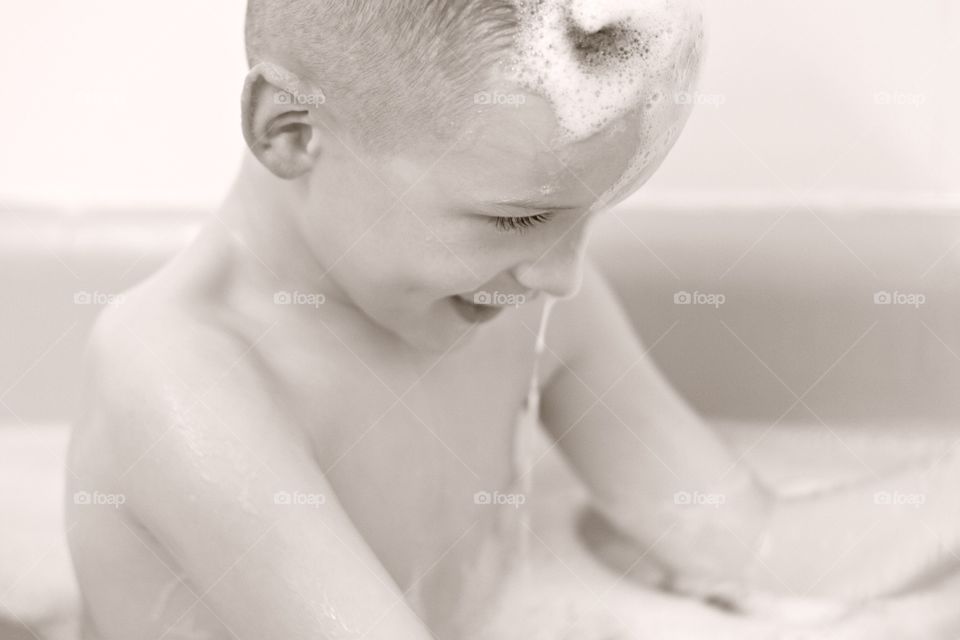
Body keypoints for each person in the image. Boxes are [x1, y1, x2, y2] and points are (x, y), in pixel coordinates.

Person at [66, 1, 960, 638]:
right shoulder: (181, 378)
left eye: (591, 216)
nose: (564, 275)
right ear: (292, 130)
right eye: (519, 218)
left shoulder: (514, 292)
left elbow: (744, 540)